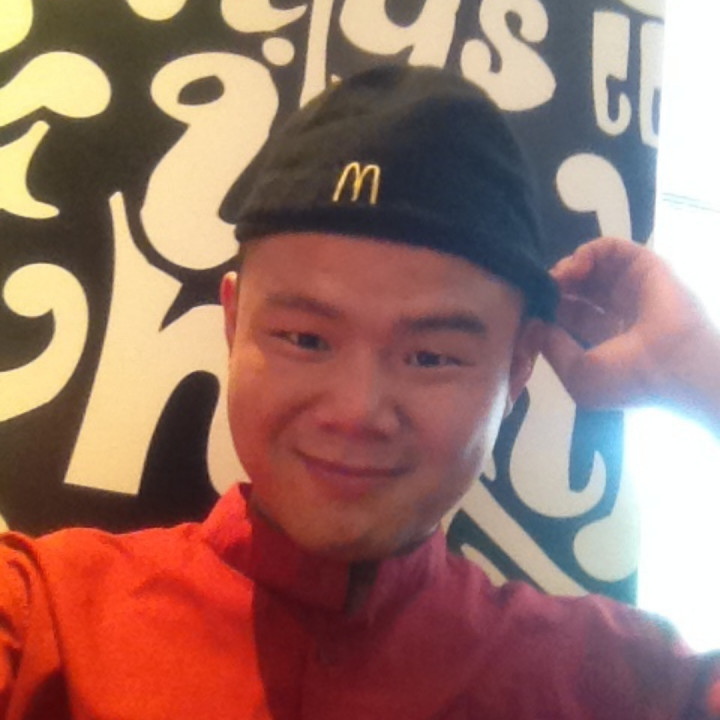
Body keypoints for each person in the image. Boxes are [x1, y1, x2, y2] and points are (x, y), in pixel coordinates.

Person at [1, 65, 719, 719]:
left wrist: (703, 377)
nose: (355, 412)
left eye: (430, 356)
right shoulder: (44, 620)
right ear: (232, 324)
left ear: (518, 367)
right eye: (305, 338)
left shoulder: (610, 683)